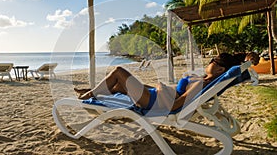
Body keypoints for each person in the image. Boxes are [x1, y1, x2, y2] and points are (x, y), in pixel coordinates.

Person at [74, 53, 239, 112]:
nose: (210, 62)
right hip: (154, 95)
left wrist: (162, 89)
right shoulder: (204, 80)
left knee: (118, 71)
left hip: (152, 101)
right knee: (118, 86)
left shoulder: (201, 84)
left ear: (220, 70)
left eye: (213, 61)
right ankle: (92, 90)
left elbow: (176, 106)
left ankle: (89, 94)